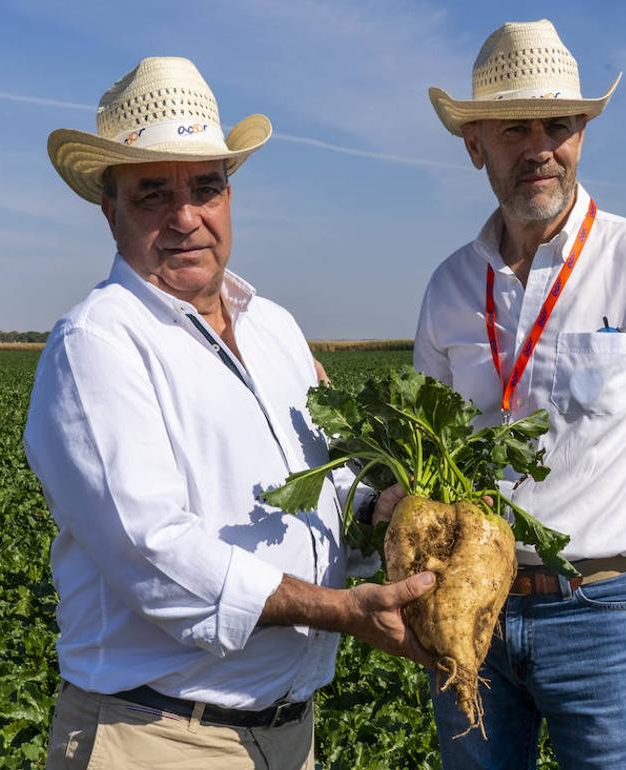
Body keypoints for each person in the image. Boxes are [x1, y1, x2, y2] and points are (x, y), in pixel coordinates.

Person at [25, 56, 433, 770]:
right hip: (159, 735)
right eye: (153, 193)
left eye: (205, 187)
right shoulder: (100, 342)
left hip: (289, 735)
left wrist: (384, 511)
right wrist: (335, 609)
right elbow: (154, 549)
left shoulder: (274, 326)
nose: (187, 217)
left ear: (229, 194)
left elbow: (326, 483)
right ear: (108, 207)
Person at [382, 20, 626, 768]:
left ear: (582, 136)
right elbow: (422, 457)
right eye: (515, 128)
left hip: (602, 614)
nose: (541, 147)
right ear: (476, 146)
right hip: (467, 608)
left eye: (560, 125)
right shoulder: (448, 286)